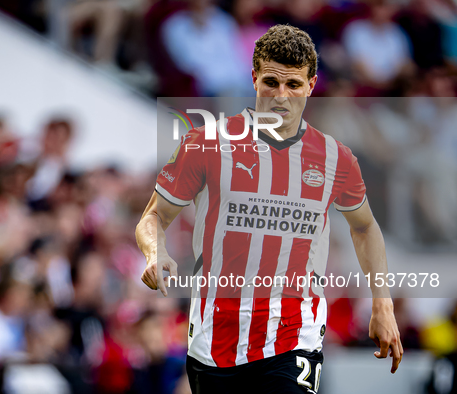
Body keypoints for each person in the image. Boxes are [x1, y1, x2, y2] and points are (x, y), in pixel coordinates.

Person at [135, 25, 403, 393]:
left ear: (310, 86)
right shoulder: (207, 142)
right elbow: (152, 217)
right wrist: (156, 251)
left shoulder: (335, 158)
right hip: (214, 340)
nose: (281, 95)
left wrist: (382, 305)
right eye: (271, 82)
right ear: (254, 77)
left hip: (294, 337)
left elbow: (365, 227)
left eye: (293, 85)